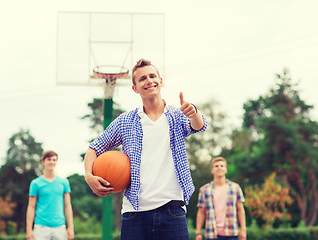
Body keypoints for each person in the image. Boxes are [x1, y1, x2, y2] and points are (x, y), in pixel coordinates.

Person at [84, 58, 207, 240]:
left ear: (160, 81)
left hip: (172, 209)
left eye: (152, 76)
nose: (149, 81)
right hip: (135, 212)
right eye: (142, 79)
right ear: (135, 88)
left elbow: (198, 126)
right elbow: (94, 148)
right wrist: (88, 176)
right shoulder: (126, 121)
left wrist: (193, 112)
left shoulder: (177, 115)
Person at [26, 150, 75, 240]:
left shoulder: (64, 182)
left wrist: (71, 227)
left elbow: (67, 206)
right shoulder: (36, 183)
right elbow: (31, 207)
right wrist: (29, 230)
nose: (52, 162)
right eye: (49, 159)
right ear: (43, 162)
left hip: (60, 227)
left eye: (54, 160)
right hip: (41, 228)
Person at [195, 157, 246, 240]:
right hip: (211, 234)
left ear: (225, 169)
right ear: (212, 170)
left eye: (222, 166)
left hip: (232, 233)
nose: (219, 168)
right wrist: (198, 233)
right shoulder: (204, 190)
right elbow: (201, 212)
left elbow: (240, 210)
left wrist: (243, 230)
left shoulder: (235, 188)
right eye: (216, 166)